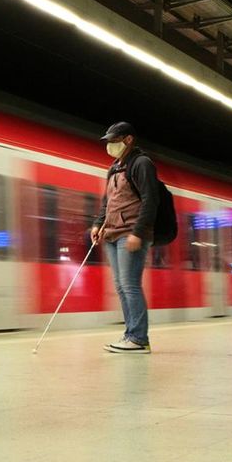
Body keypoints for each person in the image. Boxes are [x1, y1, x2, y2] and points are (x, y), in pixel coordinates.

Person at [90, 121, 158, 354]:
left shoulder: (142, 163)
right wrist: (99, 223)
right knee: (121, 286)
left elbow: (151, 200)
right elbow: (107, 201)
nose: (109, 145)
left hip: (130, 233)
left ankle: (139, 339)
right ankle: (131, 334)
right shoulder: (115, 168)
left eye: (113, 141)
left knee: (130, 286)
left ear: (128, 140)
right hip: (111, 233)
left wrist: (138, 233)